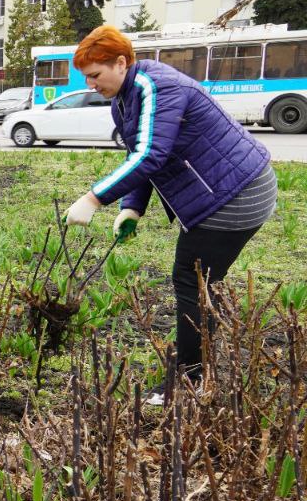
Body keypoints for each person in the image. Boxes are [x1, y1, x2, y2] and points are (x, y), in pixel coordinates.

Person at [61, 25, 275, 395]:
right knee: (201, 283)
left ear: (121, 63)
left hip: (236, 193)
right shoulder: (124, 100)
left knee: (192, 281)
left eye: (96, 75)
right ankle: (200, 368)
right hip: (221, 191)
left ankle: (190, 382)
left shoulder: (156, 87)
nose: (91, 84)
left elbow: (150, 156)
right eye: (87, 77)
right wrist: (133, 208)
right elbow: (141, 154)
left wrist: (93, 198)